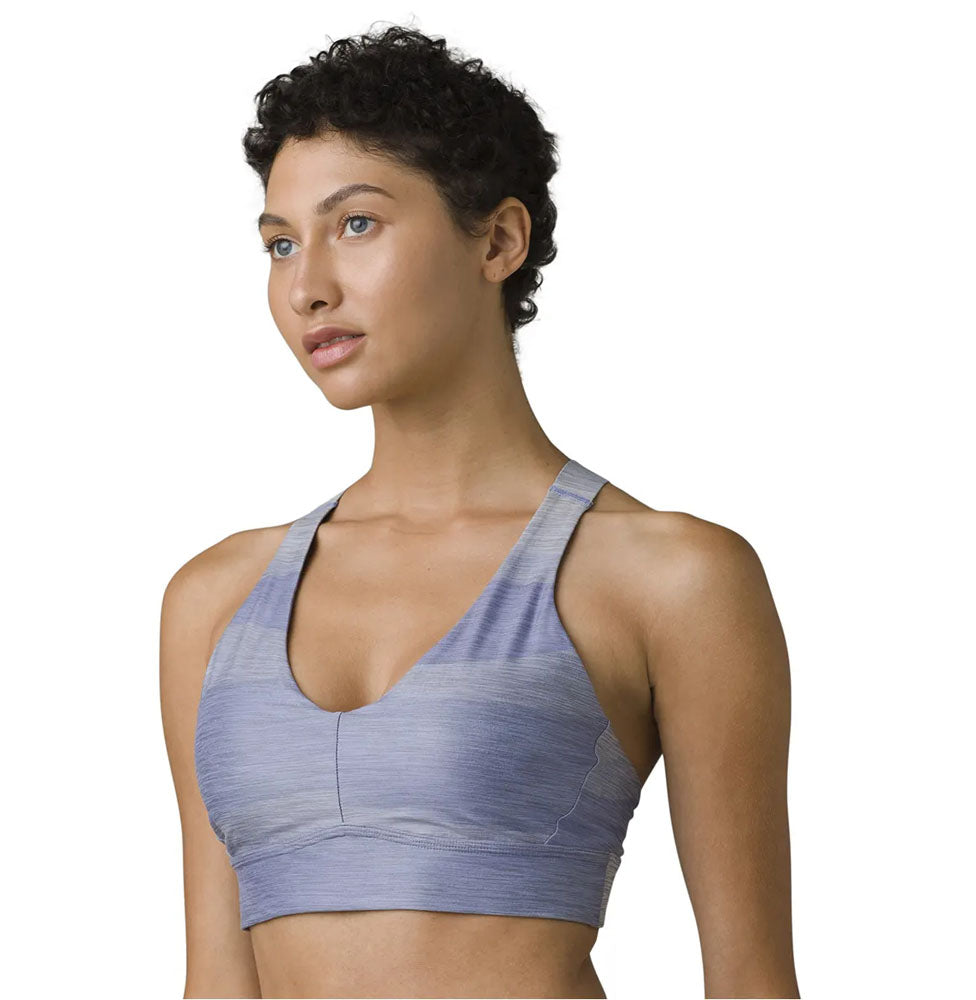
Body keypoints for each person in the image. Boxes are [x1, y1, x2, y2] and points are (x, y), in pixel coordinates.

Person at [159, 22, 799, 1000]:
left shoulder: (669, 577)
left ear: (498, 240)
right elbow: (214, 979)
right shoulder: (215, 598)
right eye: (281, 243)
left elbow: (750, 981)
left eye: (356, 225)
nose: (307, 287)